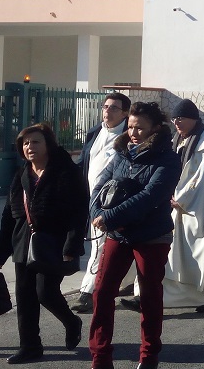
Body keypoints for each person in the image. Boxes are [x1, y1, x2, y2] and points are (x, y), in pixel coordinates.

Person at [88, 102, 182, 369]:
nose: (133, 132)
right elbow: (101, 185)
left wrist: (109, 217)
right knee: (102, 291)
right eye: (130, 126)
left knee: (150, 296)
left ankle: (149, 355)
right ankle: (100, 356)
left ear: (155, 128)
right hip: (118, 234)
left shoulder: (168, 158)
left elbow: (150, 196)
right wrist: (97, 211)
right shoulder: (121, 153)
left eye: (140, 127)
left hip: (152, 235)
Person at [0, 123, 88, 364]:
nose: (29, 147)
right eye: (25, 143)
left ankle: (71, 321)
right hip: (23, 243)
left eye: (35, 142)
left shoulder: (66, 172)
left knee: (45, 292)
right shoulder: (21, 174)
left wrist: (71, 246)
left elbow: (78, 212)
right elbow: (8, 218)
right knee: (25, 297)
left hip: (53, 242)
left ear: (48, 145)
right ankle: (30, 347)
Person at [146, 99, 204, 312]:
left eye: (181, 118)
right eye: (175, 119)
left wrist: (181, 197)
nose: (177, 123)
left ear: (193, 119)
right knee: (175, 255)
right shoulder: (177, 141)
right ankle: (165, 296)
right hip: (176, 207)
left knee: (201, 253)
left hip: (200, 209)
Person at [72, 92, 132, 314]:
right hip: (91, 200)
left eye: (114, 108)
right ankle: (130, 285)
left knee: (99, 247)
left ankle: (88, 292)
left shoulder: (129, 136)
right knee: (104, 247)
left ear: (125, 113)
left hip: (114, 203)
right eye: (105, 106)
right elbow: (83, 163)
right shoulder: (96, 132)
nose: (107, 111)